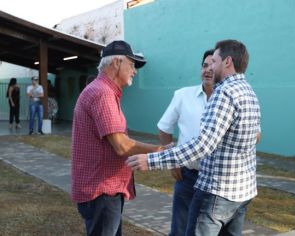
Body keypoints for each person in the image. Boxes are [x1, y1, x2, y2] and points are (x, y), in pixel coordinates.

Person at [127, 39, 261, 236]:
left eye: (214, 61)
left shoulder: (223, 92)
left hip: (217, 191)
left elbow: (203, 145)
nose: (210, 67)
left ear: (227, 62)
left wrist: (152, 160)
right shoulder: (248, 91)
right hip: (242, 191)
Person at [71, 40, 167, 236]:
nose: (135, 71)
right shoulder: (102, 93)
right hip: (102, 191)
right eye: (131, 65)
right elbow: (122, 146)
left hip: (103, 191)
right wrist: (160, 151)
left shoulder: (104, 92)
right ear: (116, 62)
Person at [157, 49, 214, 236]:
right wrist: (172, 161)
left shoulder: (231, 98)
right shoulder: (183, 95)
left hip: (218, 181)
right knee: (180, 230)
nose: (208, 70)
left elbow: (255, 134)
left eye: (213, 65)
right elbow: (164, 128)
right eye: (205, 65)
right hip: (188, 176)